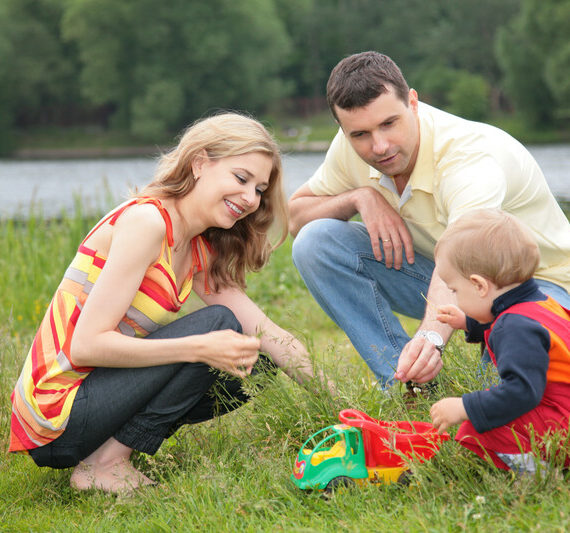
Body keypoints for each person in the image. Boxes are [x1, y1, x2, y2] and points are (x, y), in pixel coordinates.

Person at [9, 112, 327, 494]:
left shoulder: (196, 249)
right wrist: (197, 348)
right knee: (218, 327)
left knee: (254, 362)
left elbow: (267, 332)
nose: (250, 198)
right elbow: (86, 344)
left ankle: (107, 454)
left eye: (259, 189)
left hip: (97, 400)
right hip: (55, 412)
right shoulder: (147, 222)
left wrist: (334, 400)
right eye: (241, 179)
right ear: (199, 164)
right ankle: (104, 466)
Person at [288, 51, 570, 388]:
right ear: (343, 129)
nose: (379, 146)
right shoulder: (349, 147)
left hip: (539, 287)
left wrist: (430, 338)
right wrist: (359, 197)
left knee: (497, 405)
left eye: (389, 123)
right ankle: (407, 385)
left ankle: (431, 360)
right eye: (360, 134)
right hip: (457, 282)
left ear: (413, 102)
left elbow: (466, 257)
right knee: (315, 242)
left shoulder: (469, 158)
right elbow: (296, 217)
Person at [429, 209, 570, 475]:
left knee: (476, 428)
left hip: (562, 426)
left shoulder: (514, 326)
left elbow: (522, 392)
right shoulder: (540, 305)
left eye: (455, 290)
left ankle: (540, 473)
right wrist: (468, 322)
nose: (455, 296)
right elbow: (515, 328)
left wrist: (465, 406)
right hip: (563, 410)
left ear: (479, 285)